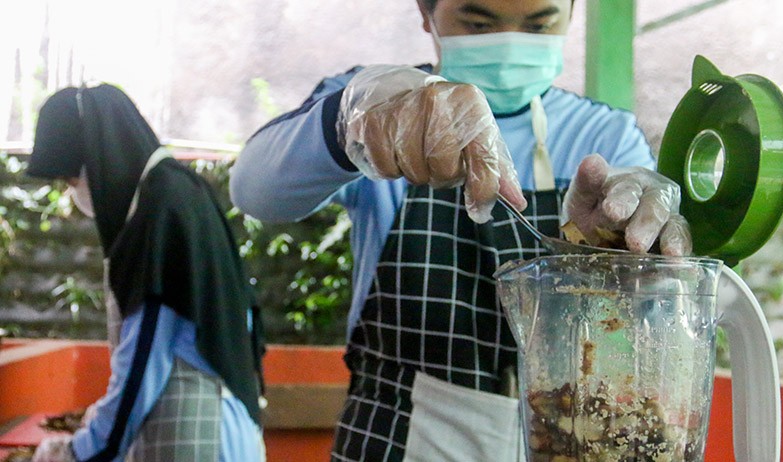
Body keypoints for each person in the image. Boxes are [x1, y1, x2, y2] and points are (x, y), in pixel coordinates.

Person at [230, 0, 692, 460]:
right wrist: (344, 122)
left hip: (561, 436)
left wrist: (620, 251)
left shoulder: (604, 135)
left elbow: (647, 323)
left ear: (572, 14)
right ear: (426, 13)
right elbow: (254, 190)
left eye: (539, 24)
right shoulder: (386, 111)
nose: (511, 45)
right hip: (397, 433)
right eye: (478, 23)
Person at [27, 84, 267, 462]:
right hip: (232, 426)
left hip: (197, 435)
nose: (73, 192)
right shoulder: (186, 195)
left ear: (96, 156)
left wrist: (82, 451)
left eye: (71, 178)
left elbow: (142, 360)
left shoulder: (157, 214)